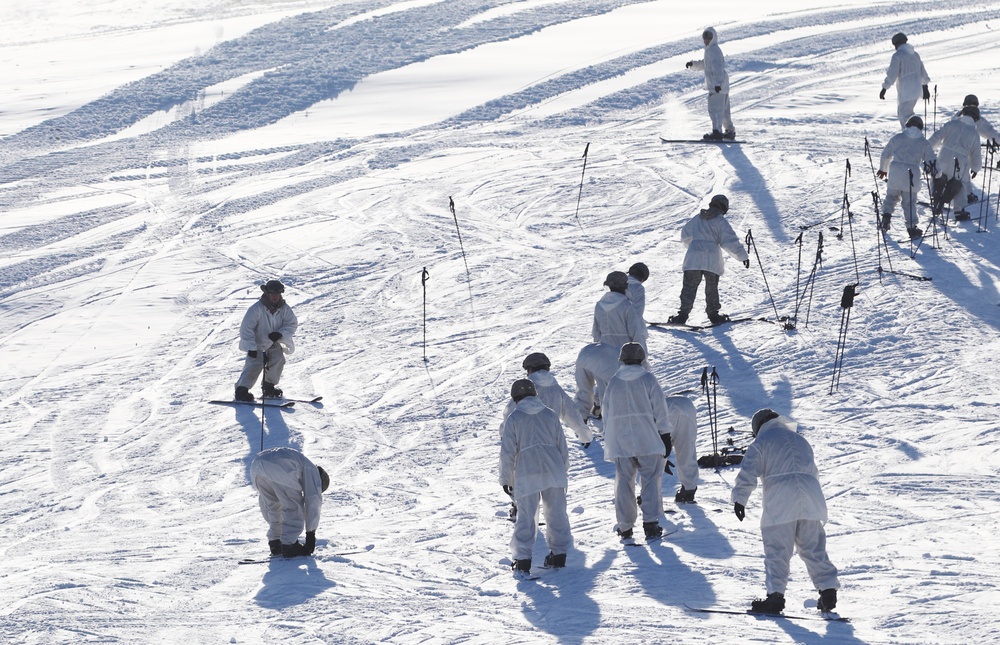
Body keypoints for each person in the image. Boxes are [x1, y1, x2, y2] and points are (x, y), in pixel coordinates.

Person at [732, 409, 840, 614]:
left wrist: (739, 499)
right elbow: (813, 471)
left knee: (777, 551)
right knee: (813, 548)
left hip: (781, 500)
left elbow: (749, 471)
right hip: (810, 497)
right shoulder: (800, 440)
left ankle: (775, 598)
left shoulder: (762, 442)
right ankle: (827, 591)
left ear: (758, 428)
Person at [499, 379, 572, 574]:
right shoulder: (550, 414)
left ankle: (522, 560)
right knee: (556, 513)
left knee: (527, 516)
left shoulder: (514, 418)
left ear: (515, 398)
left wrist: (506, 479)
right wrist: (563, 470)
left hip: (527, 471)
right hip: (554, 469)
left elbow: (507, 453)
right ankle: (559, 555)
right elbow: (561, 446)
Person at [602, 343, 672, 541]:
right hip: (648, 439)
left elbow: (606, 415)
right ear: (642, 359)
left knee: (624, 482)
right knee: (650, 480)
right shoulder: (648, 379)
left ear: (622, 359)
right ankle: (650, 523)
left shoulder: (614, 382)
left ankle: (625, 527)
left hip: (621, 442)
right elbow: (660, 409)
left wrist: (611, 437)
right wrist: (665, 435)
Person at [668, 194, 749, 325]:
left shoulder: (697, 219)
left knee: (689, 286)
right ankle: (713, 315)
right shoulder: (720, 221)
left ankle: (682, 316)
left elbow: (684, 235)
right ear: (724, 208)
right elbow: (729, 240)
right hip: (712, 258)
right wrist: (742, 256)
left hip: (694, 257)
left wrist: (693, 246)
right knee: (711, 287)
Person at [249, 447, 330, 558]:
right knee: (293, 506)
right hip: (281, 465)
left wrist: (276, 531)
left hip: (256, 466)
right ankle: (289, 545)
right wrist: (311, 533)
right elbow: (313, 499)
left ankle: (275, 543)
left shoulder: (301, 464)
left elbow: (265, 507)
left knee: (273, 505)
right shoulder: (312, 471)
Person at [503, 352, 592, 448]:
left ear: (530, 369)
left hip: (525, 442)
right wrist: (584, 435)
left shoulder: (526, 388)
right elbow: (572, 412)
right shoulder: (556, 389)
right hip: (551, 440)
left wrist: (504, 433)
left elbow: (509, 413)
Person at [235, 279, 298, 402]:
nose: (275, 297)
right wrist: (251, 347)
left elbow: (291, 324)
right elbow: (246, 329)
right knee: (254, 364)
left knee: (278, 360)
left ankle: (269, 387)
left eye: (278, 294)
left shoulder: (284, 308)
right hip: (256, 344)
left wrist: (280, 334)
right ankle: (241, 390)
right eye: (272, 294)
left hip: (273, 343)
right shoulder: (256, 309)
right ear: (267, 294)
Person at [877, 115, 936, 239]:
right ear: (921, 127)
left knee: (891, 197)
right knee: (909, 203)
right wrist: (937, 174)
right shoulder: (924, 143)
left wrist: (883, 169)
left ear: (908, 125)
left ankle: (886, 218)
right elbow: (931, 161)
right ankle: (911, 227)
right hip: (911, 175)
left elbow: (885, 154)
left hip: (895, 172)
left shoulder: (897, 138)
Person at [929, 105, 982, 220]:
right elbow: (976, 154)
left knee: (937, 178)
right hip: (959, 162)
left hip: (943, 156)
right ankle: (958, 210)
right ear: (976, 118)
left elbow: (936, 137)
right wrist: (975, 168)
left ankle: (936, 199)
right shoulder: (974, 134)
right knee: (959, 184)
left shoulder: (951, 124)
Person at [685, 27, 735, 141]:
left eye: (709, 37)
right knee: (724, 110)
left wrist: (717, 84)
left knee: (715, 109)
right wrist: (693, 65)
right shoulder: (710, 50)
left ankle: (716, 132)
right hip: (722, 86)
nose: (706, 40)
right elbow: (706, 65)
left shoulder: (714, 50)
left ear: (714, 37)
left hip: (718, 86)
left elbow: (718, 68)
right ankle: (730, 131)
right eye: (705, 37)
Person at [879, 32, 930, 129]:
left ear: (897, 44)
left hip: (906, 91)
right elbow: (923, 72)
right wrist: (925, 87)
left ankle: (911, 138)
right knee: (908, 115)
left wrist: (884, 88)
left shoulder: (897, 56)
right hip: (916, 91)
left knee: (904, 117)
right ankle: (913, 136)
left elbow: (892, 75)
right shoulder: (915, 55)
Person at [956, 95, 1000, 204]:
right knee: (964, 168)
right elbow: (991, 133)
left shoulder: (957, 116)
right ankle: (966, 194)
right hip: (966, 150)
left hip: (951, 151)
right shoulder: (977, 118)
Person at [592, 271, 647, 354]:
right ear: (625, 286)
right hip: (625, 355)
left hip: (605, 353)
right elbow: (635, 333)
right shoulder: (627, 306)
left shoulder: (599, 305)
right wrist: (642, 356)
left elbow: (596, 333)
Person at [573, 341, 620, 421]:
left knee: (584, 391)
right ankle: (607, 424)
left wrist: (597, 404)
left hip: (584, 354)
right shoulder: (623, 367)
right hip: (602, 361)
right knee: (607, 395)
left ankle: (580, 422)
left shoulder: (617, 352)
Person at [666, 395, 699, 503]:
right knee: (687, 451)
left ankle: (647, 494)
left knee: (652, 456)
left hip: (663, 410)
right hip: (686, 406)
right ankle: (689, 490)